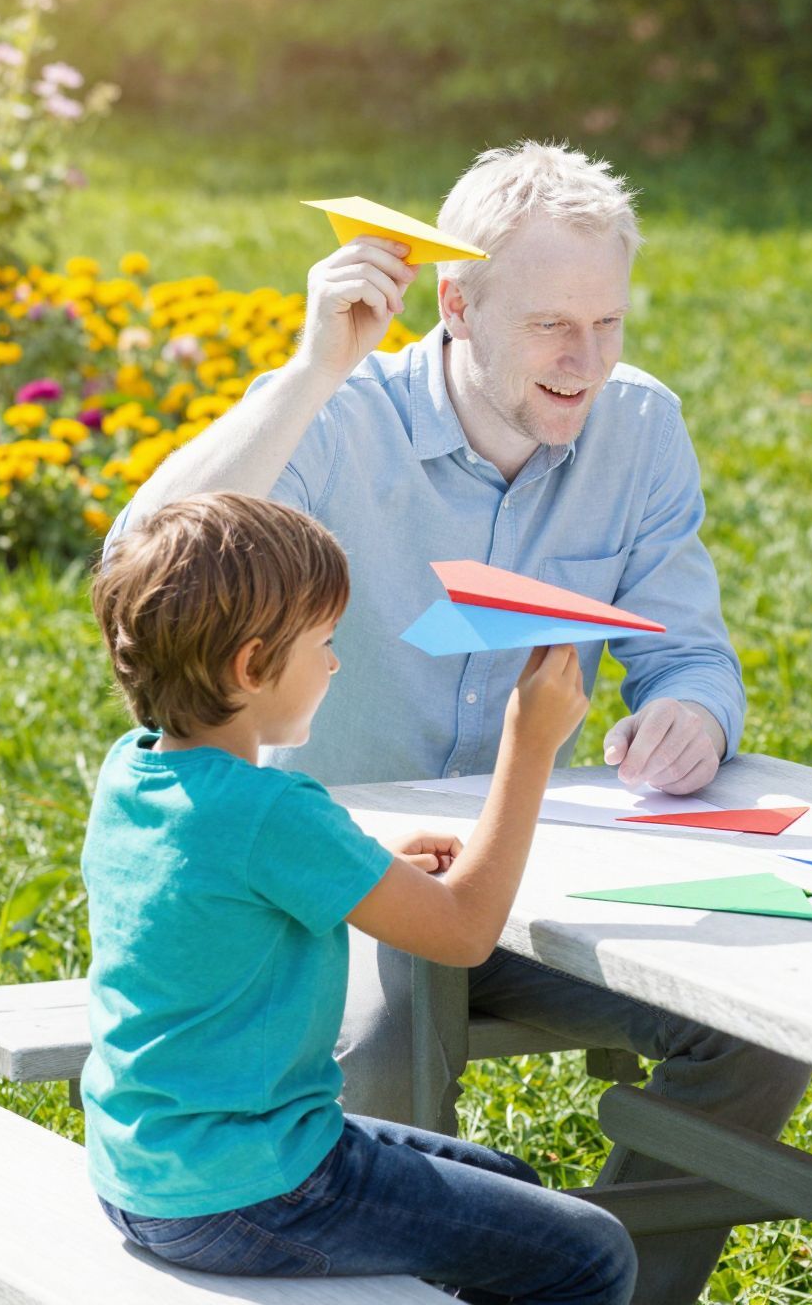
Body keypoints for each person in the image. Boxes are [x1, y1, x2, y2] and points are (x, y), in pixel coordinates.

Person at [105, 142, 808, 1304]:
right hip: (331, 894)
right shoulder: (337, 415)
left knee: (759, 1029)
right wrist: (307, 370)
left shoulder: (640, 427)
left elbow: (685, 649)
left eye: (608, 323)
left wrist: (690, 711)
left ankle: (620, 1281)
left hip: (536, 877)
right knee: (382, 1056)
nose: (585, 361)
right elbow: (144, 562)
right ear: (457, 305)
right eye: (550, 327)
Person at [82, 491, 633, 1301]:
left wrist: (361, 870)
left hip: (147, 1171)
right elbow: (464, 931)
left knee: (514, 1187)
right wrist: (530, 743)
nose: (335, 665)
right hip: (256, 1188)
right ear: (251, 667)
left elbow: (224, 886)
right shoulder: (275, 812)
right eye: (325, 643)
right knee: (592, 1254)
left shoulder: (132, 771)